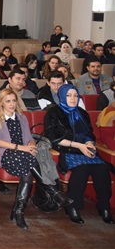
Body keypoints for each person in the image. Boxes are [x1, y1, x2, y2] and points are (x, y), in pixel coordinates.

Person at [0, 88, 69, 229]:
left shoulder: (21, 117)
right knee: (28, 161)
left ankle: (19, 211)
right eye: (8, 101)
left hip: (24, 154)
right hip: (5, 152)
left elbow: (29, 138)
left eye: (14, 100)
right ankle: (53, 192)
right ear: (1, 103)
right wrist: (22, 148)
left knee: (27, 172)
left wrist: (30, 145)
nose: (12, 104)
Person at [44, 84, 114, 224]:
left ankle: (104, 207)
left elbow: (89, 134)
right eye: (69, 95)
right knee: (81, 169)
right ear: (62, 96)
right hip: (67, 150)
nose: (73, 98)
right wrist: (78, 145)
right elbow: (53, 139)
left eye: (75, 95)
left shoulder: (82, 113)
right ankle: (73, 207)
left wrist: (88, 143)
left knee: (102, 169)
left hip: (85, 150)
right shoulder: (53, 113)